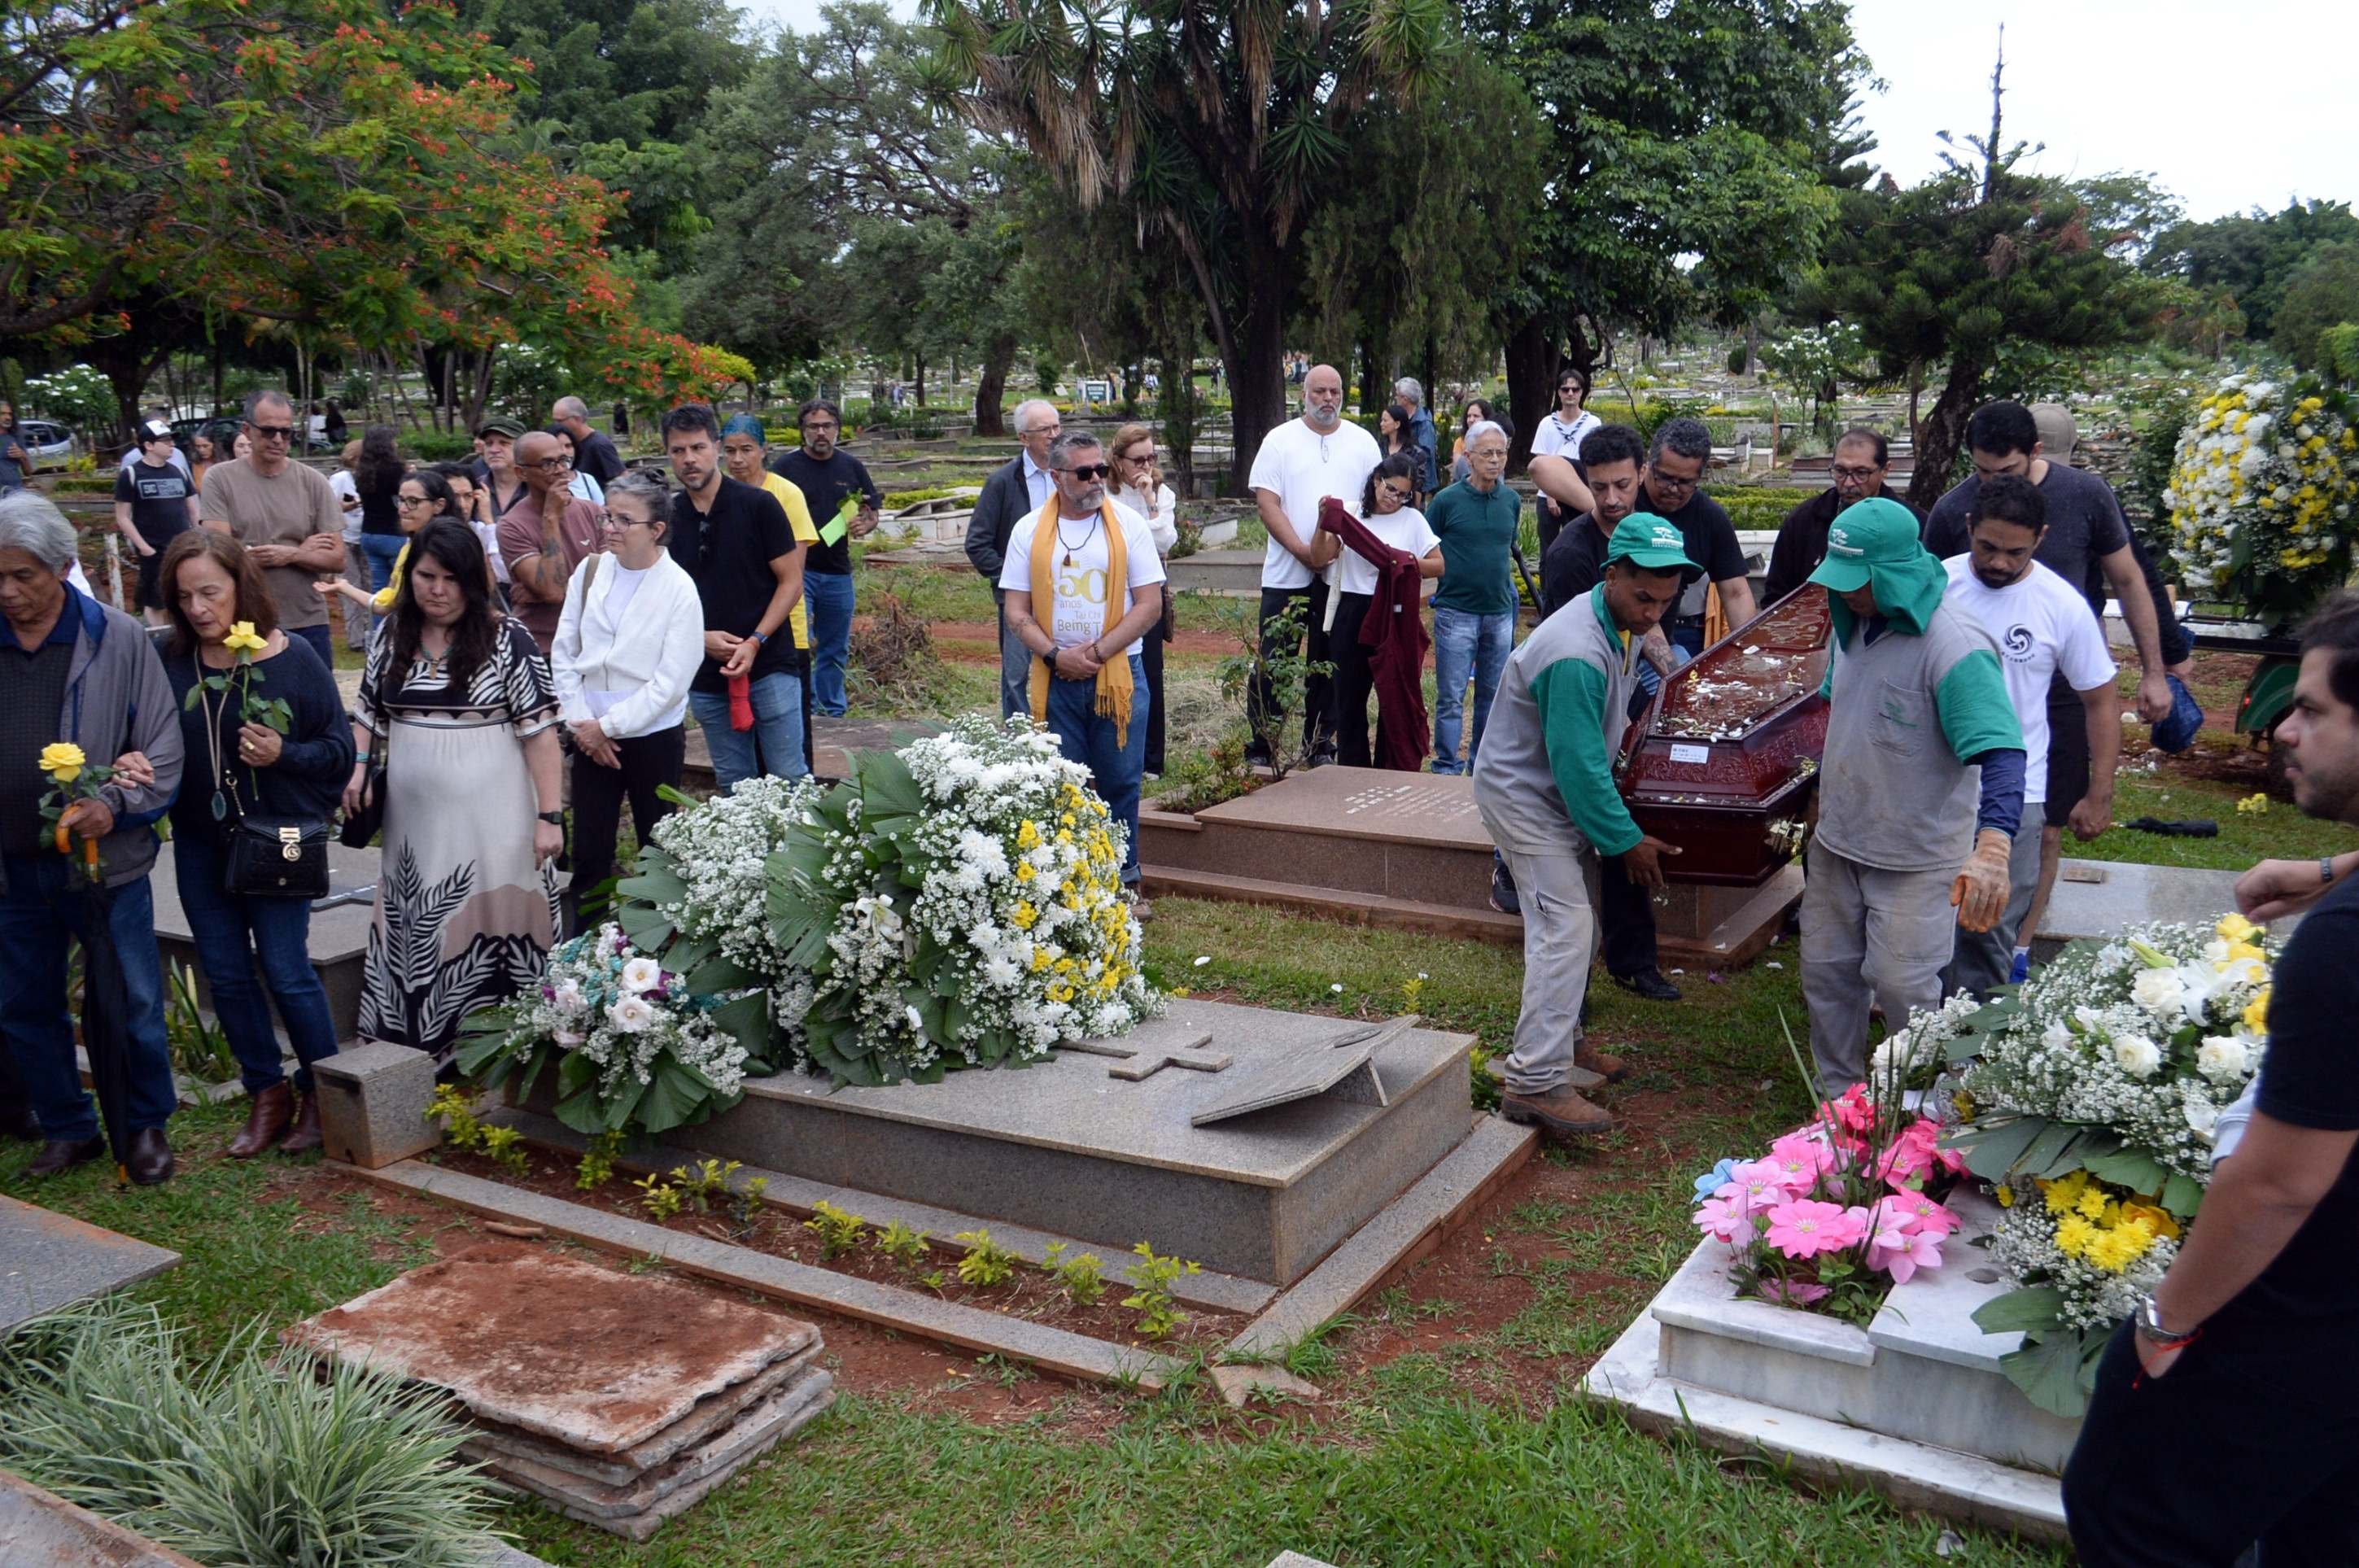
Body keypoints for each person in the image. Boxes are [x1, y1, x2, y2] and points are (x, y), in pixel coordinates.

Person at [2061, 594, 2359, 1566]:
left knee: (2131, 1517)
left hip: (2303, 1312)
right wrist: (2331, 867)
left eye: (2312, 708)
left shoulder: (2344, 954)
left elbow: (2279, 1181)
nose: (2280, 727)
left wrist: (2164, 1323)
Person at [1474, 515, 1695, 1138]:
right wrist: (1624, 838)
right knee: (1564, 926)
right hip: (1526, 798)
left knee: (1573, 923)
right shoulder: (1574, 651)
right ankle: (1534, 1081)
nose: (1653, 612)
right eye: (1642, 596)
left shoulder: (1614, 620)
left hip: (1552, 792)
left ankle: (1563, 1042)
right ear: (1611, 576)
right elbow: (1576, 768)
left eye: (1665, 597)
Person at [1798, 497, 2024, 1089]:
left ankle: (1911, 1104)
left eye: (1858, 581)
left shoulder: (1954, 646)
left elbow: (2001, 750)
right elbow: (1840, 709)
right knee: (1826, 973)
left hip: (1917, 857)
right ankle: (1836, 1096)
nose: (1845, 592)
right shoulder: (1851, 622)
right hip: (1838, 843)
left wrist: (1993, 847)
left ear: (1894, 572)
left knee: (1903, 987)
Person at [0, 491, 183, 1182]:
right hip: (12, 866)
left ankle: (142, 1129)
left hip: (104, 862)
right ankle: (67, 1125)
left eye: (24, 576)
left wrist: (112, 802)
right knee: (24, 1001)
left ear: (63, 567)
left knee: (131, 998)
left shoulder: (115, 637)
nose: (9, 592)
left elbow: (161, 748)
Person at [155, 531, 351, 1157]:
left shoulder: (293, 660)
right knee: (226, 974)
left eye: (209, 591)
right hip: (199, 841)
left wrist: (283, 753)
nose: (197, 608)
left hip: (279, 838)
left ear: (242, 585)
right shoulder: (171, 661)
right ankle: (266, 1091)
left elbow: (340, 753)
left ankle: (321, 1092)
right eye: (184, 596)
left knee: (287, 969)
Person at [345, 518, 562, 1064]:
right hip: (413, 822)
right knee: (417, 915)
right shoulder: (391, 633)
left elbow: (540, 735)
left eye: (449, 578)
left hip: (497, 817)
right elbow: (368, 715)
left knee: (492, 913)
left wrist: (550, 816)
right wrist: (357, 769)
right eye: (424, 575)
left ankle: (507, 1041)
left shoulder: (505, 637)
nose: (435, 589)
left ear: (472, 579)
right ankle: (416, 1041)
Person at [1936, 475, 2118, 998]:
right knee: (1924, 921)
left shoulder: (2059, 604)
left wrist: (2099, 791)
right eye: (1986, 547)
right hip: (1937, 786)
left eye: (2014, 552)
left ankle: (1972, 1055)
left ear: (2040, 538)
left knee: (1988, 927)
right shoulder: (1937, 584)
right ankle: (1914, 1042)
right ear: (1969, 528)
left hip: (2019, 793)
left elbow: (2101, 699)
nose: (1998, 562)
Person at [998, 430, 1164, 893]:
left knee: (1120, 782)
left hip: (1118, 676)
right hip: (1055, 678)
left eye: (1101, 471)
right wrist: (1055, 655)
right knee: (1062, 785)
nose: (1097, 480)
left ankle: (1125, 882)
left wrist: (1094, 654)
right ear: (1056, 477)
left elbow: (1149, 604)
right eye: (1084, 472)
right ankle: (1070, 884)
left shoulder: (1128, 524)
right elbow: (1016, 610)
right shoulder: (1028, 530)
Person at [551, 474, 702, 927]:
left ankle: (653, 947)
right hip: (587, 734)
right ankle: (583, 950)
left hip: (650, 735)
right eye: (607, 517)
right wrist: (582, 723)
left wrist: (609, 727)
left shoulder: (678, 588)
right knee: (590, 851)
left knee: (656, 849)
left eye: (624, 520)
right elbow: (565, 651)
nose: (610, 528)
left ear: (656, 529)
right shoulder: (591, 571)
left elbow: (671, 681)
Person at [662, 404, 807, 787]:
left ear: (716, 446)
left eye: (698, 448)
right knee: (733, 782)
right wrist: (698, 639)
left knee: (789, 777)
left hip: (769, 662)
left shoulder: (759, 505)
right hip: (705, 672)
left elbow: (790, 581)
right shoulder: (668, 518)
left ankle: (798, 848)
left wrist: (756, 641)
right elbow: (659, 599)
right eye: (678, 451)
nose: (689, 460)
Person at [1247, 364, 1381, 767]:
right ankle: (1262, 744)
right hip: (1287, 574)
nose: (1327, 399)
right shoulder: (1279, 440)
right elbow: (1267, 504)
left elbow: (1373, 504)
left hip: (1342, 576)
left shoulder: (1362, 442)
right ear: (1303, 394)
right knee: (1275, 659)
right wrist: (1304, 551)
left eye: (1334, 392)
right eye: (1319, 391)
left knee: (1329, 662)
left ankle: (1319, 743)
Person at [199, 389, 347, 669]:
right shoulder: (220, 479)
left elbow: (337, 558)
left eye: (286, 432)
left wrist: (290, 556)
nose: (278, 439)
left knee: (313, 709)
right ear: (247, 430)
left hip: (307, 619)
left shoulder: (313, 482)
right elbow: (218, 555)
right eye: (268, 431)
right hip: (244, 622)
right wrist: (298, 551)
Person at [1313, 452, 1443, 769]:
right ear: (1375, 481)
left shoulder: (1413, 520)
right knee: (1350, 699)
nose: (1394, 498)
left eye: (1403, 494)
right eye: (1389, 489)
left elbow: (1439, 565)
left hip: (1395, 612)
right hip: (1354, 610)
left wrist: (1404, 562)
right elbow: (1320, 558)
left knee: (1394, 697)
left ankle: (1391, 770)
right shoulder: (1354, 516)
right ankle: (1354, 771)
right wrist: (1323, 521)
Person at [770, 400, 880, 722]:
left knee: (834, 647)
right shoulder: (785, 469)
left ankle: (832, 712)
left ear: (837, 429)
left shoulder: (851, 467)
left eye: (827, 426)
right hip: (796, 571)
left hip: (837, 571)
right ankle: (801, 710)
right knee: (798, 645)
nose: (821, 432)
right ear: (802, 431)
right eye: (813, 426)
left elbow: (870, 510)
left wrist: (866, 522)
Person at [722, 414, 819, 772]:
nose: (737, 459)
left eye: (747, 449)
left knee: (790, 731)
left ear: (763, 450)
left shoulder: (784, 494)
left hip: (783, 629)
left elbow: (794, 570)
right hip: (732, 630)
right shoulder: (717, 495)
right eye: (730, 451)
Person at [1428, 420, 1521, 775]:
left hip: (1499, 612)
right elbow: (1427, 544)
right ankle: (1446, 767)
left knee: (1492, 696)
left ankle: (1480, 766)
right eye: (1487, 453)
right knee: (1451, 697)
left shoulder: (1511, 501)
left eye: (1501, 453)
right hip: (1456, 612)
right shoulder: (1446, 502)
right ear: (1468, 457)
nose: (1495, 460)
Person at [963, 399, 1063, 718]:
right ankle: (1018, 738)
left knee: (1063, 663)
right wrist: (1013, 579)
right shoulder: (1003, 482)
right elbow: (977, 544)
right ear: (1023, 437)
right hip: (1019, 597)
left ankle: (1059, 734)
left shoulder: (1071, 475)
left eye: (1057, 427)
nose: (1053, 435)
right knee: (1017, 674)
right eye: (1045, 429)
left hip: (1069, 589)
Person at [1761, 427, 1919, 604]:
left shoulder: (1913, 524)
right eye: (1840, 471)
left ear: (1885, 470)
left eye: (1861, 473)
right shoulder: (1803, 521)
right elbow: (1776, 597)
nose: (1849, 483)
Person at [1107, 422, 1180, 776]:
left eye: (1151, 458)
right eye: (1138, 460)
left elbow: (1165, 542)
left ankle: (1152, 761)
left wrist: (1150, 502)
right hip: (1109, 592)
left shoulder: (1162, 493)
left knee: (1150, 673)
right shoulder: (1105, 492)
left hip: (1147, 593)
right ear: (1118, 461)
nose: (1145, 467)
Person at [496, 430, 605, 653]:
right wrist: (551, 518)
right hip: (544, 648)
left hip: (596, 643)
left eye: (563, 461)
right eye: (547, 465)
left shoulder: (592, 511)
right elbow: (553, 592)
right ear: (521, 472)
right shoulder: (511, 526)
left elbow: (614, 580)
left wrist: (554, 589)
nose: (560, 471)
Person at [112, 420, 199, 627]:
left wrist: (197, 535)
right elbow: (122, 516)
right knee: (155, 599)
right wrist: (144, 547)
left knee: (183, 593)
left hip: (182, 547)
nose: (171, 445)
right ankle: (159, 636)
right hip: (153, 549)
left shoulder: (179, 472)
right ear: (149, 445)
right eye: (165, 441)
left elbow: (193, 509)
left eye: (171, 441)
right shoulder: (131, 475)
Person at [1527, 366, 1601, 551]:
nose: (1570, 393)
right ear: (1558, 393)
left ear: (1581, 392)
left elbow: (1596, 460)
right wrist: (1552, 495)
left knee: (1581, 545)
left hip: (1580, 492)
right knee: (1548, 549)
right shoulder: (1547, 423)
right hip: (1548, 496)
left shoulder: (1593, 423)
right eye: (1565, 389)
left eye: (1575, 389)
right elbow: (1540, 460)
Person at [351, 423, 408, 599]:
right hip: (393, 533)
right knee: (402, 589)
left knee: (379, 592)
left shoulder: (362, 471)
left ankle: (378, 626)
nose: (396, 444)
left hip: (369, 533)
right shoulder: (396, 470)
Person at [552, 396, 627, 489]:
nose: (555, 425)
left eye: (559, 421)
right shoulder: (571, 442)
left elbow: (622, 480)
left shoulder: (599, 444)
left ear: (577, 419)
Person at [1390, 376, 1440, 496]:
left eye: (1397, 395)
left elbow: (1425, 455)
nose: (1395, 398)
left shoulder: (1424, 424)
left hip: (1421, 486)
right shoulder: (1401, 419)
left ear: (1405, 399)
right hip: (1404, 481)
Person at [477, 415, 529, 521]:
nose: (494, 450)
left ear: (522, 448)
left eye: (504, 443)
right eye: (489, 443)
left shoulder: (538, 489)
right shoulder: (475, 489)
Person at [554, 428, 605, 506]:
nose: (564, 452)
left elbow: (602, 510)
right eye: (558, 447)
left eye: (568, 446)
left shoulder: (587, 480)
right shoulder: (545, 483)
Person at [0, 400, 32, 491]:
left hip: (15, 495)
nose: (8, 417)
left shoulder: (15, 438)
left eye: (9, 414)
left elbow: (28, 472)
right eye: (3, 414)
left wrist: (23, 456)